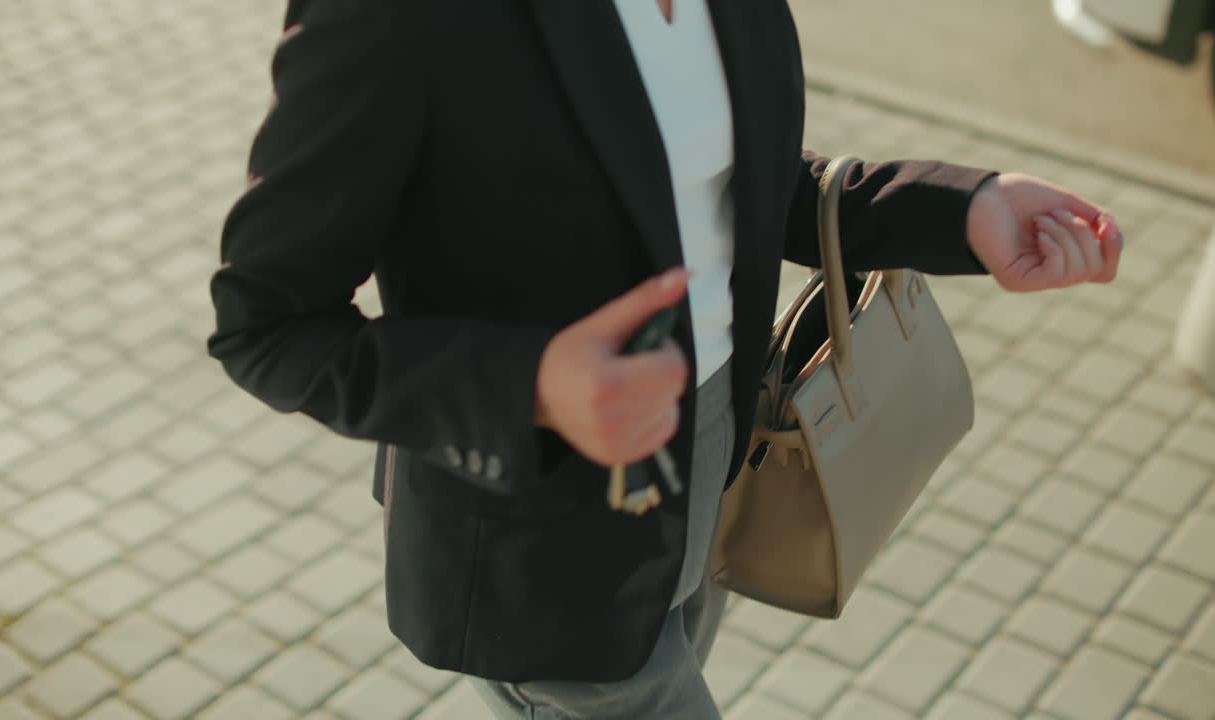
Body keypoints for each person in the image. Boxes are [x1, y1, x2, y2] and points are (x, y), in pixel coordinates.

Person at [207, 0, 1124, 717]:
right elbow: (266, 323)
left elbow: (720, 176)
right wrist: (529, 388)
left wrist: (960, 211)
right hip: (542, 560)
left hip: (709, 475)